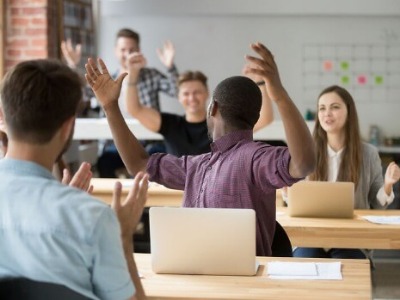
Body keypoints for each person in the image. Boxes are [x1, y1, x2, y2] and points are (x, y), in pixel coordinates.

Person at [85, 42, 316, 256]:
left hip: (243, 286)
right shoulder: (197, 165)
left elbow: (303, 163)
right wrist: (110, 106)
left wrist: (110, 107)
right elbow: (140, 165)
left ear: (212, 108)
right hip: (196, 272)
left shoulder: (254, 157)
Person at [0, 59, 148, 300]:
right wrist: (123, 239)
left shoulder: (81, 214)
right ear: (68, 127)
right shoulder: (91, 218)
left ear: (2, 117)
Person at [292, 85, 400, 259]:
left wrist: (388, 185)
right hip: (312, 235)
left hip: (352, 238)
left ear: (349, 112)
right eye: (322, 108)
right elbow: (296, 202)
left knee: (350, 264)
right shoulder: (307, 152)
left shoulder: (368, 153)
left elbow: (379, 204)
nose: (327, 113)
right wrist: (287, 190)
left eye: (335, 107)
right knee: (304, 261)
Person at [62, 28, 179, 177]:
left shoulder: (151, 75)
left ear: (139, 50)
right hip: (114, 145)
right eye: (123, 49)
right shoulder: (107, 80)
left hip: (149, 143)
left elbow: (177, 91)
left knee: (152, 165)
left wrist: (170, 66)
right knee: (106, 163)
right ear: (116, 51)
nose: (127, 54)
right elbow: (79, 96)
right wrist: (73, 66)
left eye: (132, 49)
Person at [124, 52, 274, 156]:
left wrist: (260, 82)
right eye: (186, 93)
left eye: (197, 92)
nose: (192, 98)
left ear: (207, 93)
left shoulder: (223, 123)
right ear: (179, 97)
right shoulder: (170, 124)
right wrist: (133, 74)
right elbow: (134, 109)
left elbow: (265, 119)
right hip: (179, 194)